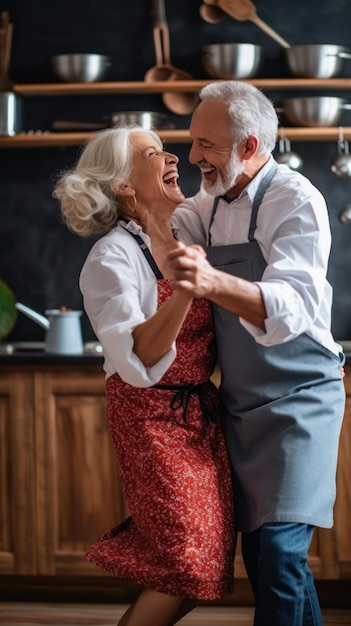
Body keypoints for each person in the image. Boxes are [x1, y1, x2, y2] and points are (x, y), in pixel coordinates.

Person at [168, 80, 346, 626]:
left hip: (300, 401)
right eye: (193, 141)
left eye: (207, 145)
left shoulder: (294, 199)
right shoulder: (211, 201)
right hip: (243, 406)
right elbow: (171, 227)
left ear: (250, 146)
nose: (193, 155)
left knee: (281, 553)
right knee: (266, 558)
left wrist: (210, 280)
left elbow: (292, 304)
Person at [52, 127, 235, 626]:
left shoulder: (188, 233)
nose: (173, 156)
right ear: (124, 186)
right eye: (153, 153)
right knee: (185, 559)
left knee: (205, 567)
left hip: (200, 413)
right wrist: (183, 294)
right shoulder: (110, 257)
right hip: (151, 418)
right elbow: (134, 358)